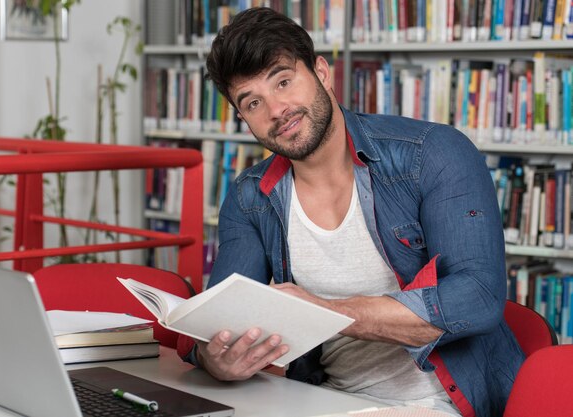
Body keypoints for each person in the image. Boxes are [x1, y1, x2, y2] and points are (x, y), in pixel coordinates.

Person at [177, 7, 524, 417]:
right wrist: (215, 358)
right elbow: (219, 321)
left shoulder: (433, 153)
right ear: (243, 119)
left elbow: (479, 297)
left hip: (437, 403)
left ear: (322, 73)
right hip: (319, 401)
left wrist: (328, 312)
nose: (276, 109)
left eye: (284, 81)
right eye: (253, 102)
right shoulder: (250, 196)